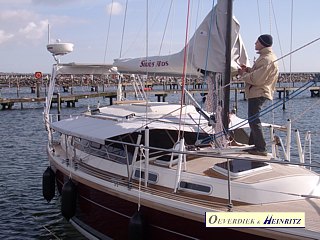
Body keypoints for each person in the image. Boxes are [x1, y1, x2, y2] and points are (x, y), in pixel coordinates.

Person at [238, 34, 279, 156]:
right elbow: (258, 73)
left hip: (259, 92)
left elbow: (256, 79)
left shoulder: (267, 59)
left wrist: (242, 74)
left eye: (257, 42)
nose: (255, 43)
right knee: (253, 119)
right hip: (258, 91)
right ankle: (254, 145)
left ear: (262, 43)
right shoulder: (265, 57)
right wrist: (248, 70)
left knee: (254, 120)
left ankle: (261, 148)